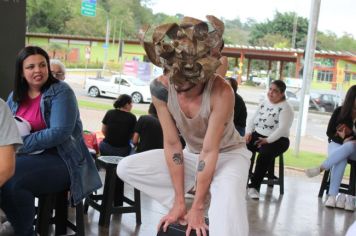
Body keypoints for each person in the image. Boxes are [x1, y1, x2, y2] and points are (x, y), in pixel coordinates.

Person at [117, 15, 251, 236]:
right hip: (193, 155)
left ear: (201, 75)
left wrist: (197, 207)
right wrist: (180, 202)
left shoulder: (222, 91)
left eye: (186, 86)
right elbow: (172, 144)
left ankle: (204, 203)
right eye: (174, 82)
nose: (178, 90)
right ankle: (194, 202)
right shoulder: (160, 88)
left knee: (227, 223)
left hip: (229, 155)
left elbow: (210, 150)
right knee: (127, 167)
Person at [1, 46, 102, 236]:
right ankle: (14, 220)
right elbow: (4, 130)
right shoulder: (14, 97)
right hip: (27, 157)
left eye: (42, 65)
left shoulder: (61, 92)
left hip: (63, 160)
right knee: (3, 172)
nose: (37, 70)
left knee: (13, 180)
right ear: (22, 72)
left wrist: (18, 144)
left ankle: (24, 230)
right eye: (30, 67)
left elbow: (59, 133)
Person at [305, 85, 356, 210]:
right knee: (341, 159)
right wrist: (342, 139)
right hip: (337, 144)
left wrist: (351, 137)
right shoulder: (339, 111)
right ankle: (333, 197)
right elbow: (329, 132)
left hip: (354, 148)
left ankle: (321, 168)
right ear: (352, 98)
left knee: (350, 145)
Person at [246, 80, 294, 199]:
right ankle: (242, 180)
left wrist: (268, 140)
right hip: (258, 134)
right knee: (243, 149)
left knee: (264, 155)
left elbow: (283, 128)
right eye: (270, 89)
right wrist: (248, 132)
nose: (271, 93)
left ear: (282, 93)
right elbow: (252, 119)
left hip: (278, 140)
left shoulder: (286, 108)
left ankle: (254, 187)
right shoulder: (264, 103)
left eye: (275, 91)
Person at [0, 99, 22, 187]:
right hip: (18, 147)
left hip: (46, 153)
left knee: (16, 184)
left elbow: (5, 168)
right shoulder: (14, 97)